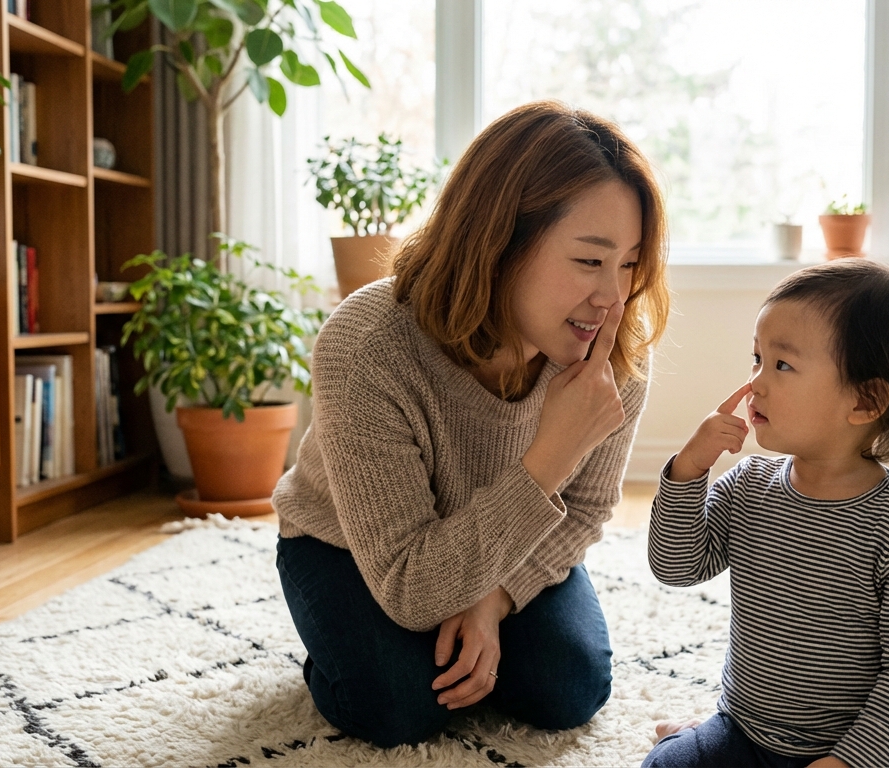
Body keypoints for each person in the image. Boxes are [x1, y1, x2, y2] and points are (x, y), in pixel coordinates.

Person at [272, 101, 670, 749]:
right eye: (590, 260)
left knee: (567, 688)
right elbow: (410, 587)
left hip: (500, 543)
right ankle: (336, 651)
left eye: (629, 263)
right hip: (351, 545)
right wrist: (552, 452)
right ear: (500, 242)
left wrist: (494, 600)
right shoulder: (369, 343)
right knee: (397, 706)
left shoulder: (615, 344)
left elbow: (586, 510)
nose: (613, 296)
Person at [643, 259, 889, 768]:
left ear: (865, 399)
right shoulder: (749, 487)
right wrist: (687, 472)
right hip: (745, 732)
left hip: (858, 752)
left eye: (781, 365)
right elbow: (676, 567)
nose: (756, 383)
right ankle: (688, 736)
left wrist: (846, 763)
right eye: (757, 359)